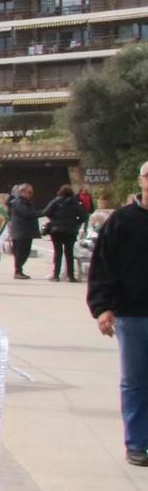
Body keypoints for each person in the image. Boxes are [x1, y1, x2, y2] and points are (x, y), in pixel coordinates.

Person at [88, 161, 148, 467]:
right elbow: (102, 267)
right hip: (133, 314)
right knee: (136, 381)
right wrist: (102, 308)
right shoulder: (122, 221)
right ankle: (137, 443)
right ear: (141, 181)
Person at [44, 184, 85, 282]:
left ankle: (56, 275)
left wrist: (53, 220)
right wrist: (76, 223)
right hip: (70, 230)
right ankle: (70, 276)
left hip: (56, 230)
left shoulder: (55, 201)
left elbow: (46, 212)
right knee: (69, 253)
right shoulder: (75, 203)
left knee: (58, 252)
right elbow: (83, 216)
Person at [7, 183, 40, 280]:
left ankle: (19, 270)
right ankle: (18, 271)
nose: (31, 194)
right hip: (20, 232)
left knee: (26, 251)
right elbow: (27, 213)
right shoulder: (18, 202)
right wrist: (43, 212)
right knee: (20, 252)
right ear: (23, 192)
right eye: (29, 192)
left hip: (26, 231)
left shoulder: (27, 202)